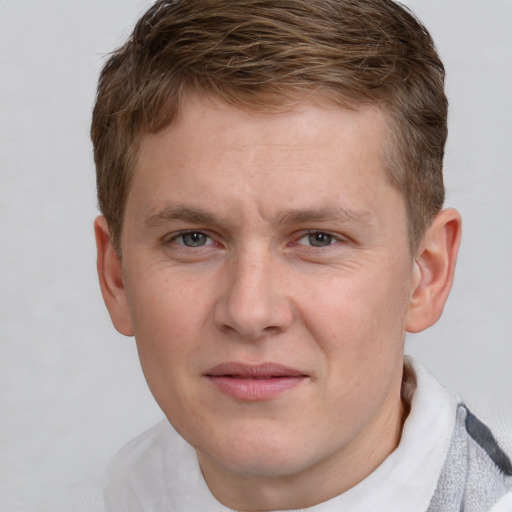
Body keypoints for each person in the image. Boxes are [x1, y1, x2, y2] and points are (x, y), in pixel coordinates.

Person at [91, 0, 512, 510]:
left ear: (426, 274)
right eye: (193, 239)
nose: (250, 313)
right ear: (117, 277)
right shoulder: (118, 491)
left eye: (319, 239)